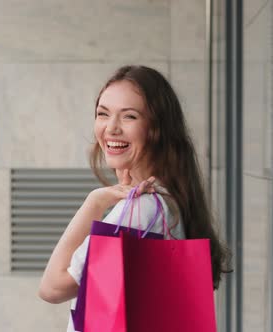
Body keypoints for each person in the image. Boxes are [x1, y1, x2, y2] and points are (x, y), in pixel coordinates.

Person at [37, 65, 230, 332]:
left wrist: (94, 202)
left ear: (157, 128)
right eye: (103, 114)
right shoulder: (169, 198)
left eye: (129, 117)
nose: (111, 128)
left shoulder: (139, 210)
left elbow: (52, 288)